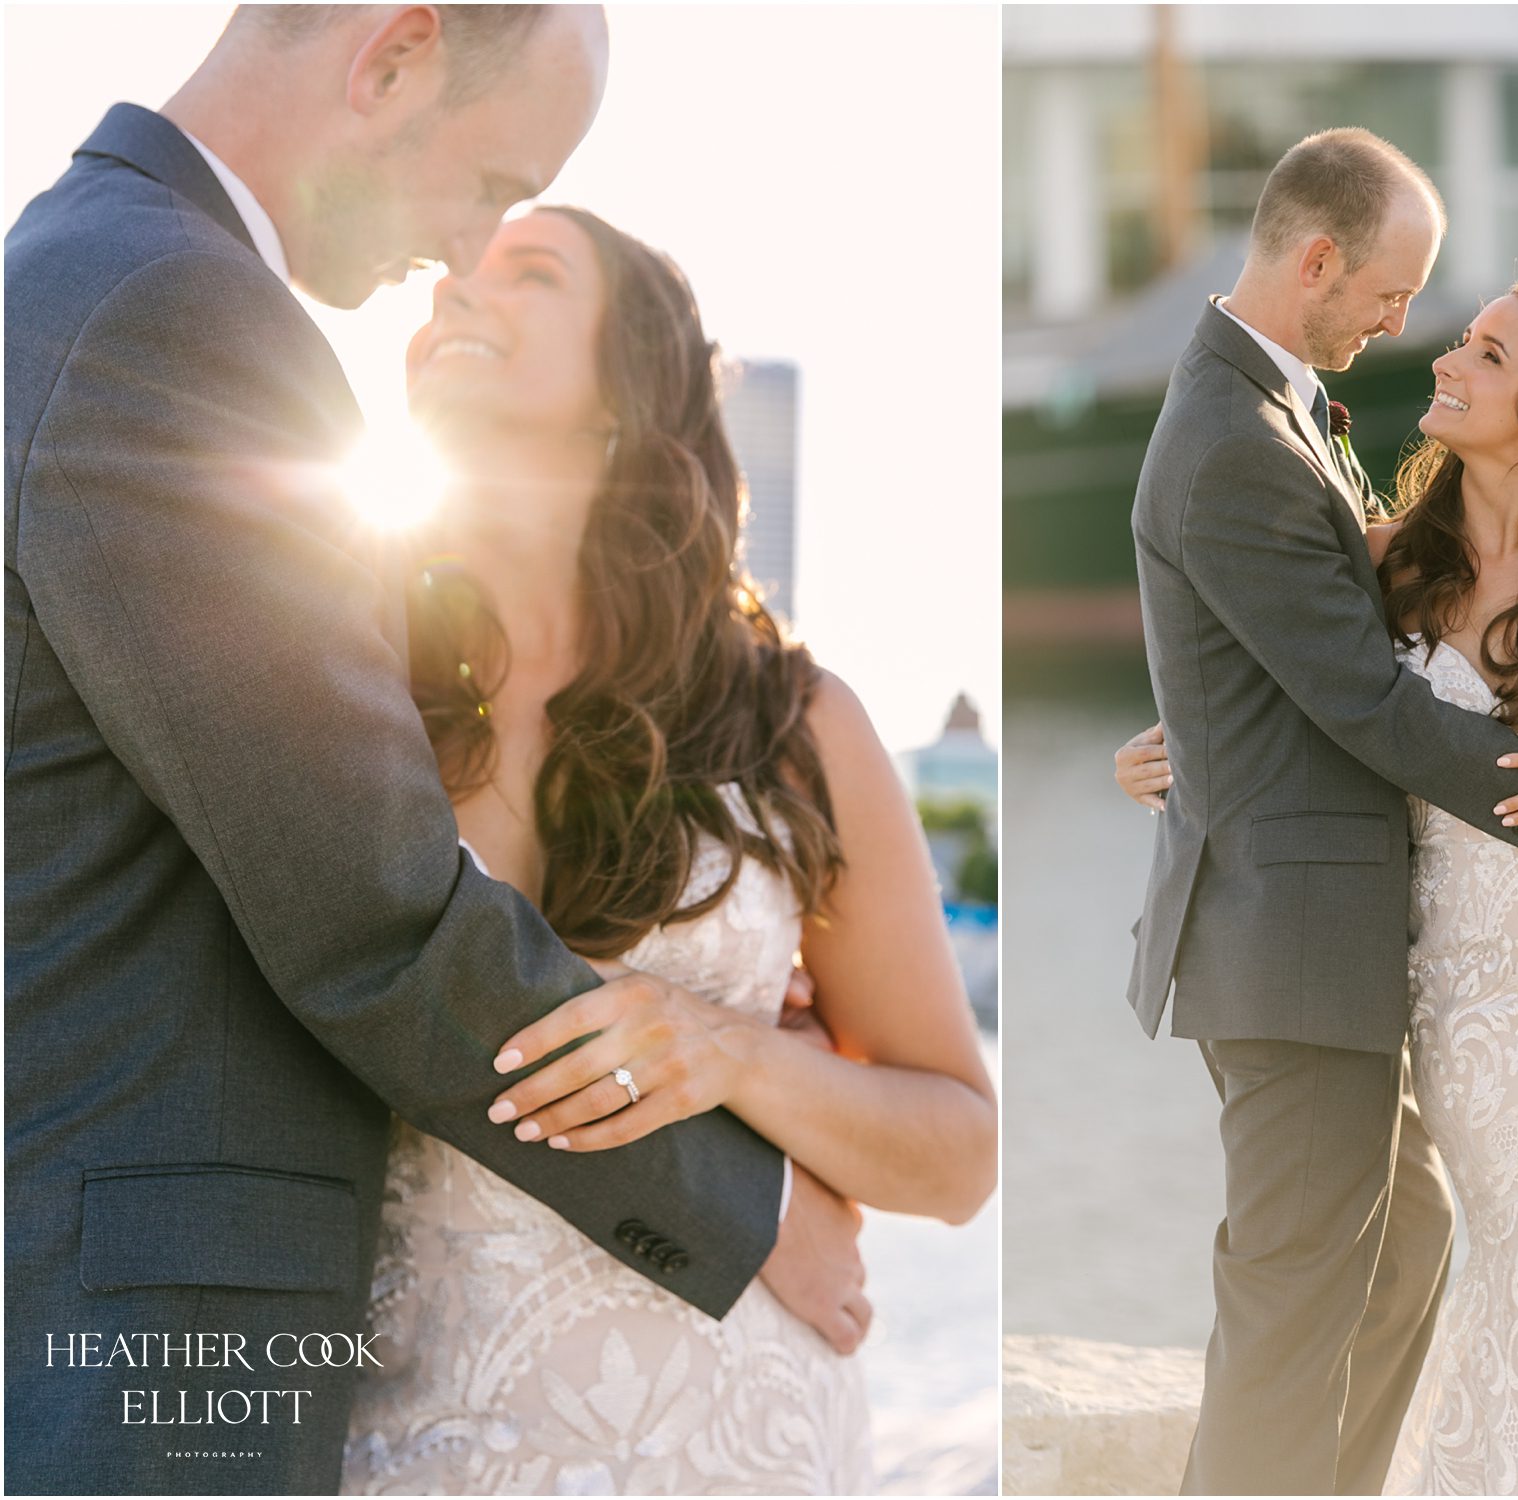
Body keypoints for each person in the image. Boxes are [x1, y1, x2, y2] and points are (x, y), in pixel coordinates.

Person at [4, 10, 858, 1492]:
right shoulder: (172, 308)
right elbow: (371, 909)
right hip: (157, 1340)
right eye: (490, 184)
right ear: (390, 56)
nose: (466, 251)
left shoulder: (84, 269)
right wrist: (749, 1202)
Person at [338, 206, 997, 1495]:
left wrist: (731, 1052)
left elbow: (959, 1150)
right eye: (444, 285)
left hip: (731, 1432)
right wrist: (752, 1205)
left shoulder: (792, 724)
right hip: (401, 1427)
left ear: (629, 389)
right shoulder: (337, 688)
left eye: (525, 274)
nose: (456, 301)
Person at [1110, 127, 1518, 1496]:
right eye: (1389, 291)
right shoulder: (1231, 440)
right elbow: (1366, 708)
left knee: (1410, 1245)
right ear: (1316, 260)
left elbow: (1304, 663)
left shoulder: (1276, 414)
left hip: (1325, 938)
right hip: (1289, 943)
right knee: (1290, 1313)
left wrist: (1181, 744)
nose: (1401, 322)